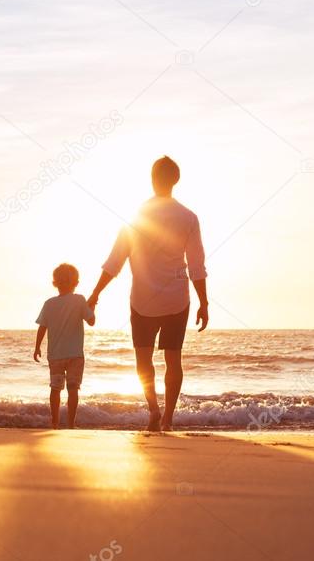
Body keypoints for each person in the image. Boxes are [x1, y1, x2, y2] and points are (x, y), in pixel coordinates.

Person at [87, 156, 208, 432]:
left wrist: (95, 293)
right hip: (177, 300)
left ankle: (153, 409)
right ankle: (168, 418)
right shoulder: (188, 217)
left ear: (152, 179)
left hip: (142, 301)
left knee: (144, 359)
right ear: (175, 180)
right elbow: (197, 265)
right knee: (173, 359)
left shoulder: (135, 217)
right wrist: (204, 302)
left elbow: (114, 261)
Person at [34, 263, 95, 429]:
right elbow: (91, 321)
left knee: (55, 389)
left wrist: (37, 347)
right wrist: (92, 306)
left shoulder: (49, 303)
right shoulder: (79, 300)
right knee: (73, 388)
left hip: (55, 356)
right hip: (75, 355)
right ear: (76, 282)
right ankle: (70, 424)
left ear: (55, 283)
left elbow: (42, 327)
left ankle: (54, 423)